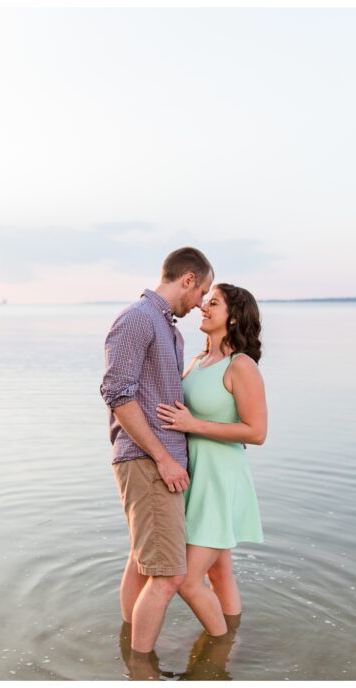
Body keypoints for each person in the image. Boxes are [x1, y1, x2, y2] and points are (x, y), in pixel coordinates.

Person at [100, 246, 214, 656]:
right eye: (202, 291)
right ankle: (142, 667)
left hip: (158, 462)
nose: (201, 302)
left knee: (141, 561)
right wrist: (164, 459)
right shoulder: (137, 319)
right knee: (167, 576)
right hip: (148, 462)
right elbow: (116, 394)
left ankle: (134, 644)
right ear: (188, 280)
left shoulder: (168, 328)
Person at [156, 283, 267, 638]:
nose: (203, 307)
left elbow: (256, 432)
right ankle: (233, 635)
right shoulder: (197, 361)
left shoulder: (241, 366)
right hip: (196, 477)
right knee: (218, 573)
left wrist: (194, 424)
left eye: (213, 303)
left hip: (221, 480)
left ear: (232, 318)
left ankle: (219, 650)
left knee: (187, 581)